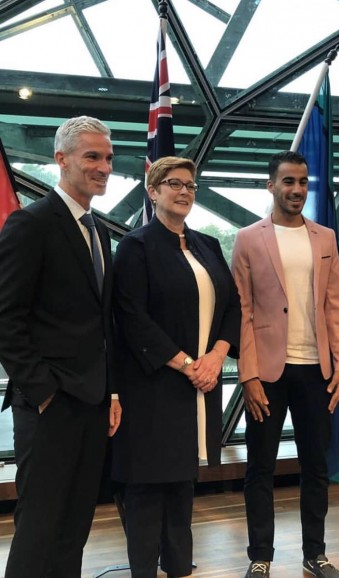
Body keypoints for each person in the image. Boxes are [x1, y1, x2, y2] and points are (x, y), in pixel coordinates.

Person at [0, 115, 122, 578]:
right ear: (61, 159)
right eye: (92, 156)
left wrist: (111, 391)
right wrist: (44, 392)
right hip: (50, 405)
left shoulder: (99, 230)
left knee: (75, 527)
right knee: (39, 527)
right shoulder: (30, 224)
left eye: (108, 158)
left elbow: (101, 324)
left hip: (92, 402)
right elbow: (5, 317)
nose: (104, 167)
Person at [111, 156, 241, 578]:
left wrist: (216, 357)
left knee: (183, 482)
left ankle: (180, 567)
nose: (184, 191)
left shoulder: (208, 245)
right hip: (154, 385)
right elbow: (132, 318)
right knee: (149, 486)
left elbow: (232, 307)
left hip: (202, 382)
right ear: (152, 191)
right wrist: (188, 365)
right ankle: (145, 571)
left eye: (190, 185)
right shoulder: (136, 246)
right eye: (174, 184)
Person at [231, 151, 339, 578]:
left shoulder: (325, 238)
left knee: (316, 466)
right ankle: (260, 556)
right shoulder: (248, 238)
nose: (297, 189)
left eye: (303, 181)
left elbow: (336, 305)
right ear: (271, 186)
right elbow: (242, 311)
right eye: (288, 181)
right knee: (260, 467)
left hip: (317, 370)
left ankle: (315, 553)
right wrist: (247, 374)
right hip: (267, 372)